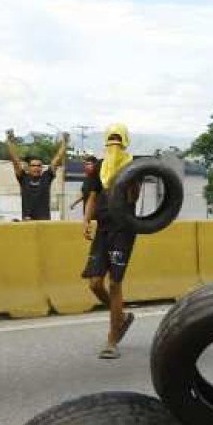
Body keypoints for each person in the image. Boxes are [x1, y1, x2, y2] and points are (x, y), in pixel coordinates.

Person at [83, 124, 137, 359]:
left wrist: (130, 180)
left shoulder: (132, 166)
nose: (114, 144)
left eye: (118, 139)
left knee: (115, 284)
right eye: (111, 140)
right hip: (103, 228)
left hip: (123, 229)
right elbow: (92, 197)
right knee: (95, 284)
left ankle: (112, 340)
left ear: (124, 141)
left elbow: (133, 197)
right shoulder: (99, 167)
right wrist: (86, 221)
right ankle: (121, 318)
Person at [5, 130, 68, 222]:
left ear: (42, 168)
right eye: (33, 165)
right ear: (28, 167)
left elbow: (57, 159)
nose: (36, 168)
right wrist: (10, 142)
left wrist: (64, 143)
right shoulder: (23, 178)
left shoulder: (47, 176)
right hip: (28, 220)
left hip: (44, 221)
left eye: (39, 166)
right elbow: (15, 160)